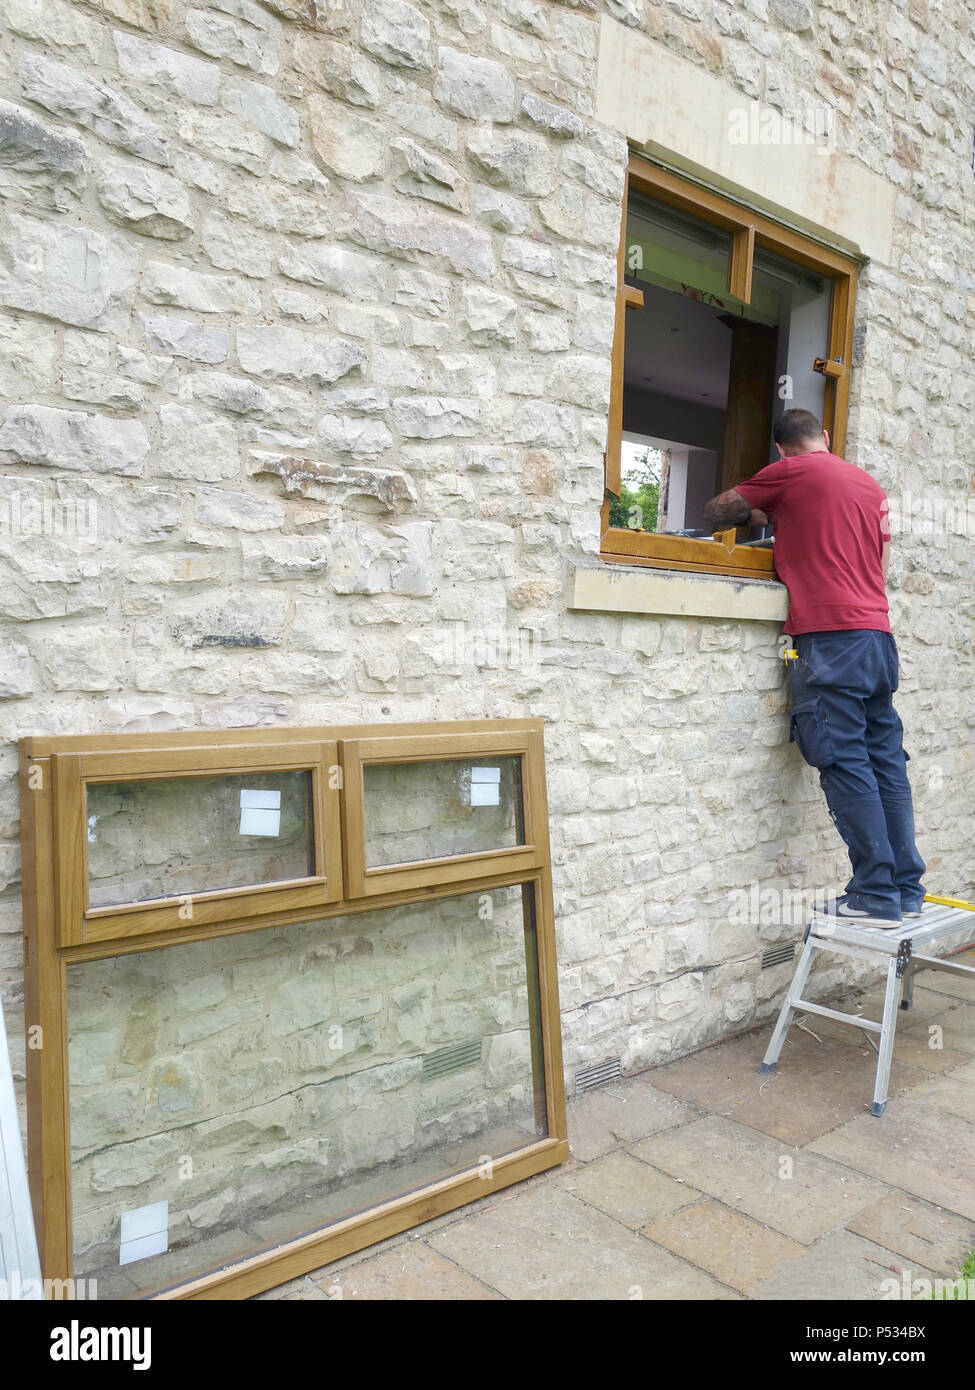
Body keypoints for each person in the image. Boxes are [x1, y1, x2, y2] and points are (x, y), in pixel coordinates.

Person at [702, 407, 925, 927]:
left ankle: (873, 895)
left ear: (782, 449)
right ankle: (906, 890)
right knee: (886, 762)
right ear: (824, 437)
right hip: (877, 637)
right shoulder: (869, 485)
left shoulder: (789, 473)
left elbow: (716, 511)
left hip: (828, 641)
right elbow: (880, 566)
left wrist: (767, 511)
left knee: (844, 760)